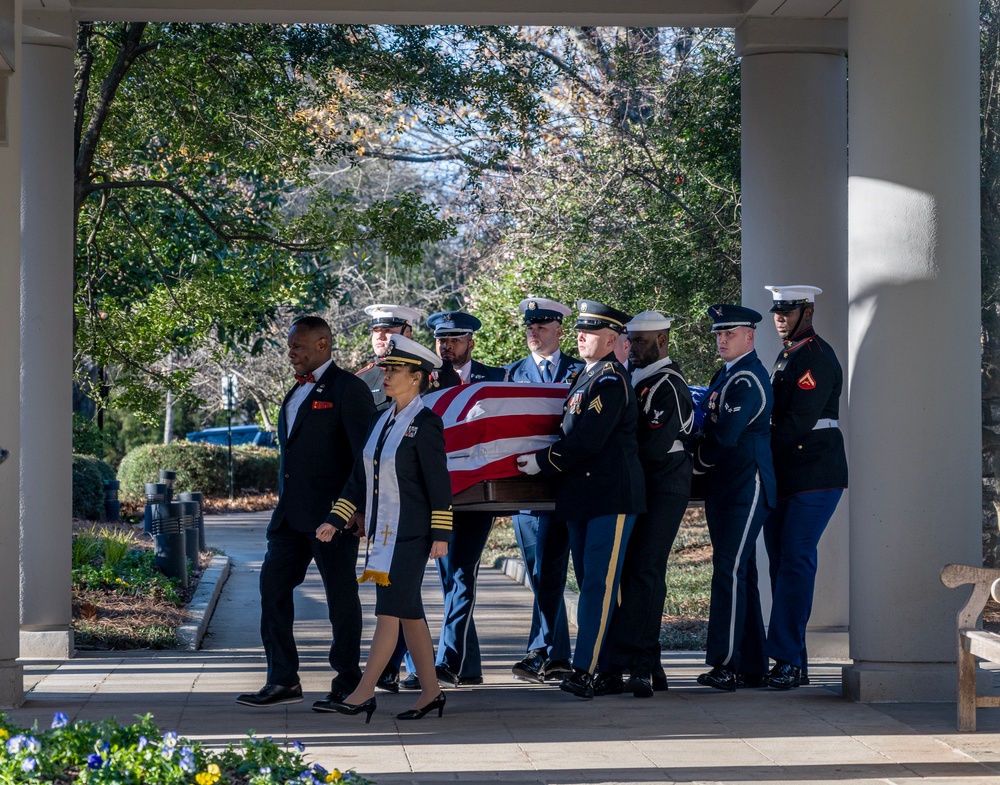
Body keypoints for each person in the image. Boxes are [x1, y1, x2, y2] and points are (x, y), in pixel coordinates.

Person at [236, 316, 375, 708]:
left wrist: (355, 508)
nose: (291, 353)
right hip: (289, 519)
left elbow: (364, 457)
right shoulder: (293, 392)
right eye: (290, 346)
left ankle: (348, 682)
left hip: (333, 517)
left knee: (340, 600)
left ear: (323, 345)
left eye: (298, 346)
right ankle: (282, 680)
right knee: (272, 589)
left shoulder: (350, 390)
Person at [316, 334, 453, 723]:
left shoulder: (426, 423)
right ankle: (431, 693)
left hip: (411, 536)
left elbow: (438, 484)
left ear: (417, 377)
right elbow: (359, 481)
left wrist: (441, 535)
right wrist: (335, 518)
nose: (386, 375)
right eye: (386, 369)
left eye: (394, 370)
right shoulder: (381, 419)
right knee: (409, 615)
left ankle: (363, 693)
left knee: (389, 613)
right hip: (383, 535)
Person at [516, 299, 644, 700]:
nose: (580, 337)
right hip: (584, 497)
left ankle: (587, 669)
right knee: (594, 583)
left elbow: (587, 440)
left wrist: (542, 461)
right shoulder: (587, 377)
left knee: (598, 587)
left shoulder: (609, 380)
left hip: (609, 496)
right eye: (579, 331)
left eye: (588, 333)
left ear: (610, 339)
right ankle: (609, 668)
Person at [595, 310, 694, 698]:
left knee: (645, 570)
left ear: (662, 341)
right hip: (640, 485)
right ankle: (648, 663)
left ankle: (636, 664)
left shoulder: (667, 384)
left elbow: (651, 446)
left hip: (664, 485)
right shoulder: (636, 379)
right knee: (634, 573)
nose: (632, 348)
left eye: (641, 341)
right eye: (630, 341)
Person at [409, 310, 505, 690]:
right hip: (439, 495)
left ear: (470, 342)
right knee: (449, 577)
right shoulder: (426, 380)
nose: (446, 346)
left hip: (478, 494)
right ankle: (465, 665)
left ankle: (449, 661)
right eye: (441, 340)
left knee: (463, 573)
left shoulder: (496, 378)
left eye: (454, 340)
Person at [761, 285, 848, 690]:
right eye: (777, 311)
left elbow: (796, 422)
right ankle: (793, 660)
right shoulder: (789, 354)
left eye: (788, 310)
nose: (780, 317)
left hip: (814, 473)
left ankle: (786, 659)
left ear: (807, 311)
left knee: (795, 559)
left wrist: (754, 446)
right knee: (782, 563)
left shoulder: (815, 356)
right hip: (788, 472)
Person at [691, 304, 775, 692]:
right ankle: (753, 664)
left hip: (745, 486)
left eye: (730, 333)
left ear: (750, 336)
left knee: (729, 571)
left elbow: (724, 436)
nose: (722, 339)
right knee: (743, 573)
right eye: (718, 334)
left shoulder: (747, 379)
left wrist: (696, 462)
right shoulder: (727, 375)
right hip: (725, 487)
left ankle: (724, 664)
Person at [504, 297, 581, 684]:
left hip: (565, 483)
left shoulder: (580, 371)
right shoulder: (510, 374)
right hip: (524, 490)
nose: (533, 333)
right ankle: (555, 654)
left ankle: (544, 651)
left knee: (550, 569)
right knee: (540, 572)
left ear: (558, 331)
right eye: (529, 327)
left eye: (541, 327)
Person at [356, 303, 423, 413]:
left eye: (387, 330)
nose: (379, 336)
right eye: (375, 330)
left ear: (407, 335)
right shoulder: (362, 379)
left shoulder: (426, 374)